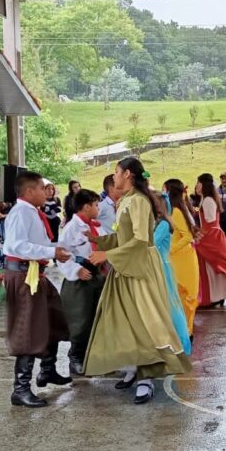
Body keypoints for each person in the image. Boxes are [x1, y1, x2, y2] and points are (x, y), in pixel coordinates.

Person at [84, 158, 192, 404]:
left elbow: (141, 241)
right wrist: (99, 240)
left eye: (116, 172)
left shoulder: (140, 201)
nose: (114, 176)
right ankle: (133, 368)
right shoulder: (125, 200)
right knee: (125, 321)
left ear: (127, 174)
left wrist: (107, 255)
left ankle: (147, 379)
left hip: (140, 268)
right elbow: (124, 237)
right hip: (126, 268)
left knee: (145, 323)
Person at [2, 173, 72, 408]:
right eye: (43, 188)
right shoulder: (21, 212)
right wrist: (52, 252)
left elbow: (38, 244)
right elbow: (17, 246)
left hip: (35, 273)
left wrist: (60, 248)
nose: (47, 192)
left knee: (52, 318)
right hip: (25, 276)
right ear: (30, 191)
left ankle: (48, 369)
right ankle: (20, 389)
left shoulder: (32, 212)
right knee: (28, 328)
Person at [57, 189, 106, 377]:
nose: (98, 209)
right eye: (96, 205)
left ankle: (92, 357)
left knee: (96, 317)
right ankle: (75, 358)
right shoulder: (71, 228)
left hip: (97, 275)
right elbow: (62, 254)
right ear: (86, 207)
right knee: (80, 319)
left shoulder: (96, 227)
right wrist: (76, 270)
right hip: (80, 278)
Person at [193, 173, 226, 308]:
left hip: (211, 237)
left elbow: (209, 221)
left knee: (212, 268)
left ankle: (215, 296)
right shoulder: (207, 199)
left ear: (204, 185)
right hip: (212, 236)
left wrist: (198, 235)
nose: (196, 186)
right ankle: (216, 296)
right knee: (213, 269)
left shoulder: (207, 200)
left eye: (198, 183)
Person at [153, 194, 193, 358]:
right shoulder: (159, 223)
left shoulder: (163, 225)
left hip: (161, 269)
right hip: (158, 267)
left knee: (170, 305)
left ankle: (180, 343)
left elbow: (151, 243)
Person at [164, 179, 200, 338]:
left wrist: (170, 249)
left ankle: (186, 332)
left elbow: (187, 236)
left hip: (182, 258)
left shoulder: (177, 212)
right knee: (178, 295)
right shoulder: (175, 210)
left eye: (164, 190)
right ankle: (182, 331)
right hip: (178, 257)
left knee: (185, 296)